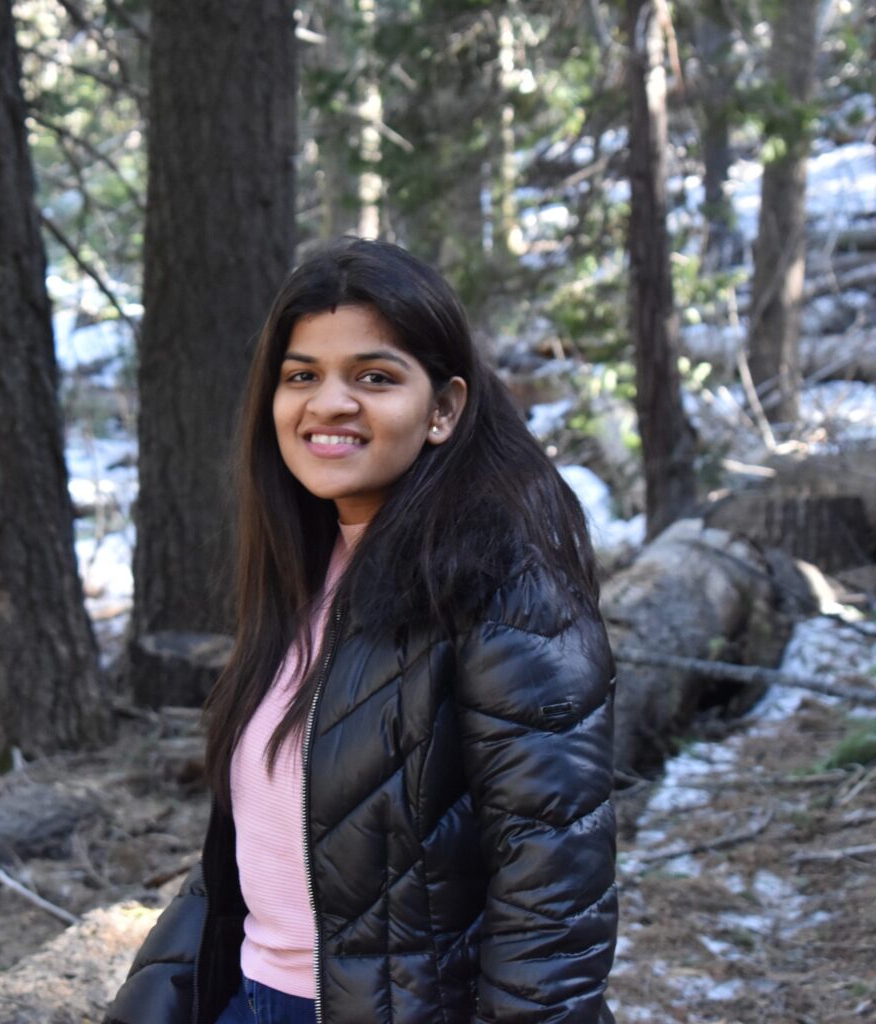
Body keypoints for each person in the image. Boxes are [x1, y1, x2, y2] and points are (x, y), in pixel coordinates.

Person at [105, 238, 617, 1024]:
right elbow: (246, 857)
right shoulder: (301, 573)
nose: (329, 403)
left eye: (374, 377)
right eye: (302, 375)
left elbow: (552, 905)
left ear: (443, 408)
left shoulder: (509, 591)